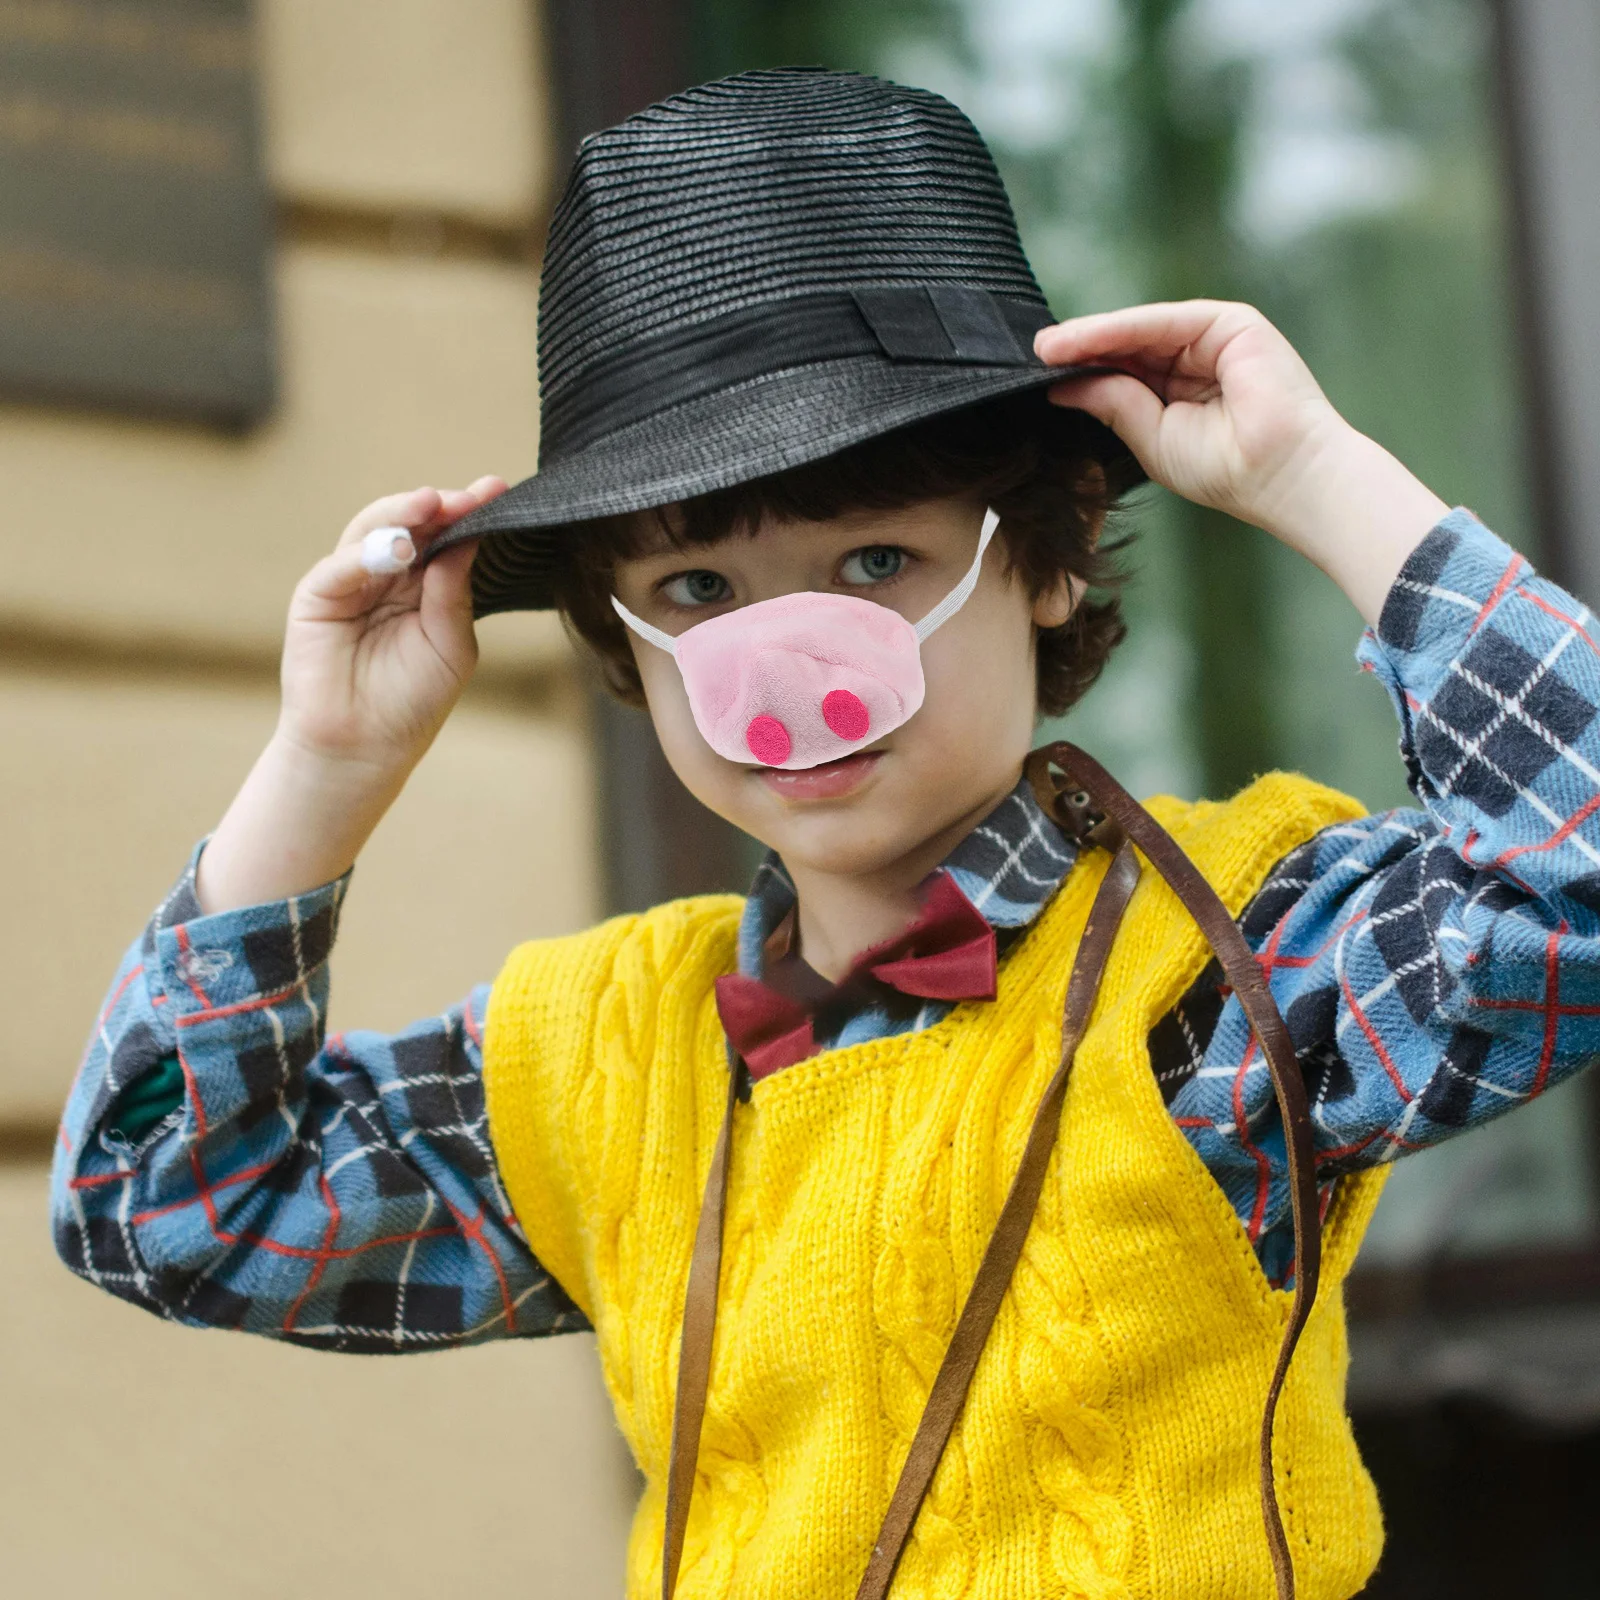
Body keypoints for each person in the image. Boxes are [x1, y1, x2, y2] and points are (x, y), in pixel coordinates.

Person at [52, 68, 1600, 1600]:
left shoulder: (1225, 965)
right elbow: (168, 1203)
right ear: (617, 636)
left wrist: (1315, 479)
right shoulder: (607, 1061)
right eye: (696, 594)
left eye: (873, 558)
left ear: (1047, 560)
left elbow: (1574, 884)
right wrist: (331, 761)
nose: (782, 670)